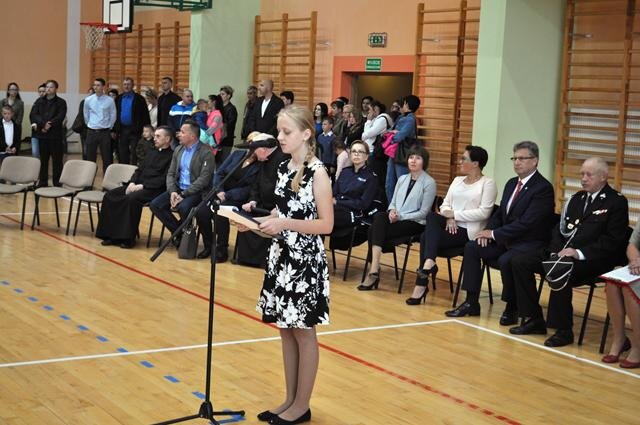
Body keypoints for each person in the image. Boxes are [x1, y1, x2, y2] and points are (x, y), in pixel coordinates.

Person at [250, 105, 332, 424]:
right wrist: (256, 223)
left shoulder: (318, 172)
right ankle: (290, 399)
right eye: (279, 131)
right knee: (286, 330)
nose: (280, 137)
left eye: (286, 132)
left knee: (304, 332)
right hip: (282, 257)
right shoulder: (285, 167)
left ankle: (302, 404)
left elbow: (325, 224)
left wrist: (284, 223)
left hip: (304, 262)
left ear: (306, 134)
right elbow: (282, 212)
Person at [509, 157, 629, 347]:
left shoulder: (616, 202)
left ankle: (563, 330)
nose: (584, 178)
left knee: (560, 269)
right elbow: (559, 230)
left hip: (592, 259)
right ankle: (534, 319)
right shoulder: (576, 199)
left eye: (589, 175)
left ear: (603, 177)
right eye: (582, 174)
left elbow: (612, 241)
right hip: (564, 254)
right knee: (520, 261)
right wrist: (556, 251)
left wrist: (578, 253)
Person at [445, 141, 555, 319]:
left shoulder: (543, 188)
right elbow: (500, 214)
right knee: (472, 247)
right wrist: (488, 230)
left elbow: (527, 223)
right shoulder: (512, 183)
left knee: (506, 260)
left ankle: (512, 306)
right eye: (514, 158)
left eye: (522, 158)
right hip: (506, 239)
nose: (517, 162)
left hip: (528, 243)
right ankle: (471, 302)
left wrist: (494, 234)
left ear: (535, 161)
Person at [405, 145, 497, 305]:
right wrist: (449, 218)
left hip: (468, 231)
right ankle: (429, 263)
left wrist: (454, 214)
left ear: (475, 163)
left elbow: (484, 213)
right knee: (432, 217)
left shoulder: (487, 183)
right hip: (449, 226)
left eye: (464, 159)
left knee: (425, 237)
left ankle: (422, 281)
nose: (460, 161)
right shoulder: (457, 180)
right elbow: (445, 205)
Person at [358, 145, 436, 290]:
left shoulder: (429, 182)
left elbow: (424, 212)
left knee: (373, 230)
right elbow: (393, 202)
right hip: (396, 219)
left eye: (418, 158)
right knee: (380, 216)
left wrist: (400, 216)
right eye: (411, 157)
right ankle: (374, 267)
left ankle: (373, 269)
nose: (413, 161)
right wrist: (392, 211)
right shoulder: (402, 179)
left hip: (415, 223)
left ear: (424, 162)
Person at [96, 126, 174, 248]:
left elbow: (164, 179)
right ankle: (111, 235)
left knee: (130, 199)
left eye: (158, 136)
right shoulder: (151, 152)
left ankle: (126, 238)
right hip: (136, 185)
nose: (154, 138)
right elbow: (139, 170)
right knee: (110, 195)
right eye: (154, 136)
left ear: (167, 139)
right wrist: (132, 182)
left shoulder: (172, 157)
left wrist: (142, 186)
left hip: (154, 189)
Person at [195, 139, 261, 261]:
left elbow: (250, 188)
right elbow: (219, 173)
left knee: (221, 213)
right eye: (250, 143)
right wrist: (219, 190)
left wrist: (227, 195)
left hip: (237, 198)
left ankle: (222, 249)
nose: (251, 148)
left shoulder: (260, 164)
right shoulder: (237, 154)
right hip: (219, 192)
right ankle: (208, 245)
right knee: (201, 212)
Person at [149, 120, 215, 239]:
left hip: (196, 192)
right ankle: (180, 234)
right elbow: (170, 174)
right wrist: (173, 191)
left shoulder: (206, 152)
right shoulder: (178, 150)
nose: (178, 134)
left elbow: (204, 180)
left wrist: (183, 195)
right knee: (155, 205)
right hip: (179, 188)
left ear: (192, 136)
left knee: (183, 207)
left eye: (182, 132)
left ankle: (188, 237)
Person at [236, 134, 290, 267]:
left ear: (263, 149)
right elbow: (256, 184)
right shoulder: (264, 160)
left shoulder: (284, 159)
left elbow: (286, 188)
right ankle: (246, 259)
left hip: (276, 207)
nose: (253, 154)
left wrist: (278, 206)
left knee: (264, 220)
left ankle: (263, 261)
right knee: (245, 216)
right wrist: (253, 200)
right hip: (261, 203)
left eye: (255, 150)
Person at [603, 220, 640, 368]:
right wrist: (635, 261)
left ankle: (638, 345)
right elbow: (632, 245)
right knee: (613, 282)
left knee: (629, 287)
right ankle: (620, 339)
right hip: (638, 265)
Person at [30, 79, 67, 187]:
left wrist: (49, 124)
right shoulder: (39, 101)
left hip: (55, 136)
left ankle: (57, 182)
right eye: (47, 87)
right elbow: (34, 115)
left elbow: (60, 116)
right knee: (43, 161)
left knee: (57, 161)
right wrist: (43, 124)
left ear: (56, 89)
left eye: (51, 87)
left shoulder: (61, 102)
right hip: (42, 135)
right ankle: (43, 182)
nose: (48, 89)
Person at [332, 140, 377, 230]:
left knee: (327, 216)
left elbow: (363, 204)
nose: (356, 154)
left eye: (360, 152)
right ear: (350, 155)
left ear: (366, 156)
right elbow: (334, 193)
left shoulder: (371, 177)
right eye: (354, 151)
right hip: (336, 208)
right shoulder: (344, 172)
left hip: (354, 213)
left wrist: (338, 202)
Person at [385, 95, 420, 203]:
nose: (402, 106)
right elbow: (391, 131)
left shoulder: (410, 119)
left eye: (404, 103)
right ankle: (391, 207)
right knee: (389, 183)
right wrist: (393, 133)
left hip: (402, 154)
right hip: (393, 152)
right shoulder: (401, 117)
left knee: (402, 183)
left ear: (407, 104)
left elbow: (399, 136)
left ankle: (401, 208)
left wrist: (393, 135)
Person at [113, 77, 151, 165]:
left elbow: (145, 115)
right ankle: (123, 170)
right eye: (124, 84)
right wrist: (114, 130)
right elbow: (114, 115)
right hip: (122, 130)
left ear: (133, 85)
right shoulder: (118, 98)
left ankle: (133, 170)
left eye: (128, 84)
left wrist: (146, 130)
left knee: (135, 153)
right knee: (122, 153)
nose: (126, 86)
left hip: (135, 130)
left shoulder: (139, 99)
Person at [83, 78, 117, 173]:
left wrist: (109, 127)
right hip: (91, 131)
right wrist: (90, 124)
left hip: (104, 132)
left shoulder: (109, 100)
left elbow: (113, 115)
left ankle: (106, 180)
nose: (95, 87)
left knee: (107, 158)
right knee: (90, 158)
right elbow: (86, 115)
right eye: (94, 85)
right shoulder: (88, 100)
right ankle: (89, 180)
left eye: (98, 85)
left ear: (103, 87)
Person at [218, 85, 238, 164]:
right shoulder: (219, 107)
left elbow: (230, 124)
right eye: (220, 94)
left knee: (224, 162)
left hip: (226, 140)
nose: (220, 96)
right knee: (217, 162)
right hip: (218, 139)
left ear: (228, 96)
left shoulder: (231, 108)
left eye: (223, 94)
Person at [30, 83, 46, 158]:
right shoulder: (36, 102)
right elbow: (31, 115)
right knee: (35, 153)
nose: (41, 93)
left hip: (44, 132)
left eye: (43, 91)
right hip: (35, 132)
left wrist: (41, 126)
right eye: (40, 91)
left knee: (43, 155)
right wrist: (33, 124)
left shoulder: (49, 103)